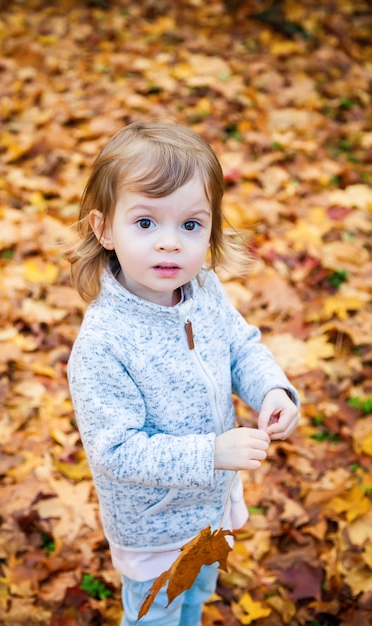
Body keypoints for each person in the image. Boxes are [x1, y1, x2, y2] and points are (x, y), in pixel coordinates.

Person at [66, 121, 300, 625]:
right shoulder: (103, 344)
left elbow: (240, 346)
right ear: (103, 227)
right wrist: (211, 453)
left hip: (212, 510)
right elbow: (116, 450)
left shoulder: (205, 291)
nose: (170, 243)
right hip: (155, 528)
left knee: (194, 598)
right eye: (146, 222)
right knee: (156, 616)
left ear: (211, 228)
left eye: (190, 225)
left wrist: (273, 390)